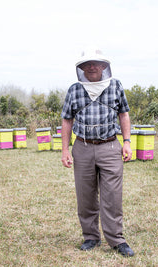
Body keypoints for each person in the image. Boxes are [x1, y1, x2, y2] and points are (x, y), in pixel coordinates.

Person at [61, 47, 134, 257]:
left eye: (96, 63)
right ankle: (90, 237)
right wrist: (65, 149)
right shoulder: (74, 89)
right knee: (85, 195)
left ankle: (117, 239)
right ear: (81, 67)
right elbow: (67, 119)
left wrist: (127, 142)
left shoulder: (115, 85)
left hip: (110, 147)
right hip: (82, 147)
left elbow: (124, 114)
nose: (92, 67)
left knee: (112, 195)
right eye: (87, 64)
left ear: (104, 66)